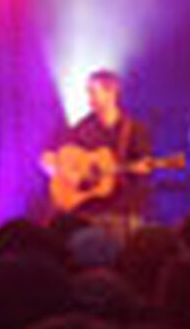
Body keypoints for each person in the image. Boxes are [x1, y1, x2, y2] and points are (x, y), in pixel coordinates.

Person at [41, 69, 152, 234]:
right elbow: (49, 159)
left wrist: (135, 170)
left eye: (93, 92)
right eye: (88, 92)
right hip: (87, 214)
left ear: (112, 93)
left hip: (122, 215)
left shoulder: (134, 130)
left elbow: (143, 171)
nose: (89, 98)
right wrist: (63, 171)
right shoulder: (81, 129)